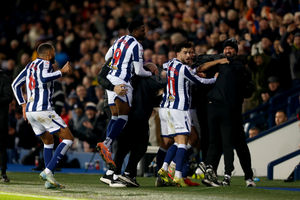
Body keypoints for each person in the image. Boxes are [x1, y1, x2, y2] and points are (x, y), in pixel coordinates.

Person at [11, 42, 73, 189]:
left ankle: (49, 180)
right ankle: (48, 170)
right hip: (43, 109)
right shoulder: (45, 63)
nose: (55, 54)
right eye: (54, 51)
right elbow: (45, 78)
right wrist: (62, 72)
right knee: (68, 138)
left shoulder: (30, 66)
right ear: (49, 53)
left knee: (48, 141)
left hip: (31, 111)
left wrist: (23, 105)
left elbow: (15, 84)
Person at [96, 19, 155, 169]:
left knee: (115, 116)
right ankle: (106, 144)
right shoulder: (137, 46)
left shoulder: (120, 39)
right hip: (122, 83)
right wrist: (151, 71)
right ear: (135, 31)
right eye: (142, 29)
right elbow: (138, 71)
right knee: (123, 117)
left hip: (110, 80)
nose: (145, 32)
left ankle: (106, 145)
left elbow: (107, 57)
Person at [157, 42, 217, 187]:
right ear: (177, 53)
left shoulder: (170, 64)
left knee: (177, 142)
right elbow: (199, 81)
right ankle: (178, 176)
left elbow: (164, 69)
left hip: (166, 108)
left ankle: (164, 169)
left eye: (190, 52)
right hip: (179, 108)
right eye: (185, 52)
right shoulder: (183, 68)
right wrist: (215, 79)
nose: (188, 55)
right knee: (184, 142)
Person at [98, 60, 165, 187]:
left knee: (123, 148)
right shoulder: (148, 79)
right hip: (139, 119)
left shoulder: (133, 80)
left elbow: (150, 99)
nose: (157, 73)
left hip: (128, 116)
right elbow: (161, 84)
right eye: (156, 71)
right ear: (151, 71)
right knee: (140, 147)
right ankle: (129, 173)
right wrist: (174, 78)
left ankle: (112, 172)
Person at [200, 38, 256, 187]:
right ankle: (214, 173)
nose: (228, 51)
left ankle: (246, 176)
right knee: (217, 142)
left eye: (231, 48)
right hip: (218, 109)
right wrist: (217, 62)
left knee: (237, 145)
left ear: (236, 52)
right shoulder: (219, 64)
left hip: (232, 112)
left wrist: (237, 95)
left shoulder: (240, 67)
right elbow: (201, 68)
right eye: (226, 48)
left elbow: (249, 89)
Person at [0, 69, 13, 182]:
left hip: (1, 119)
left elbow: (9, 97)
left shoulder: (4, 78)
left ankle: (3, 173)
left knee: (2, 147)